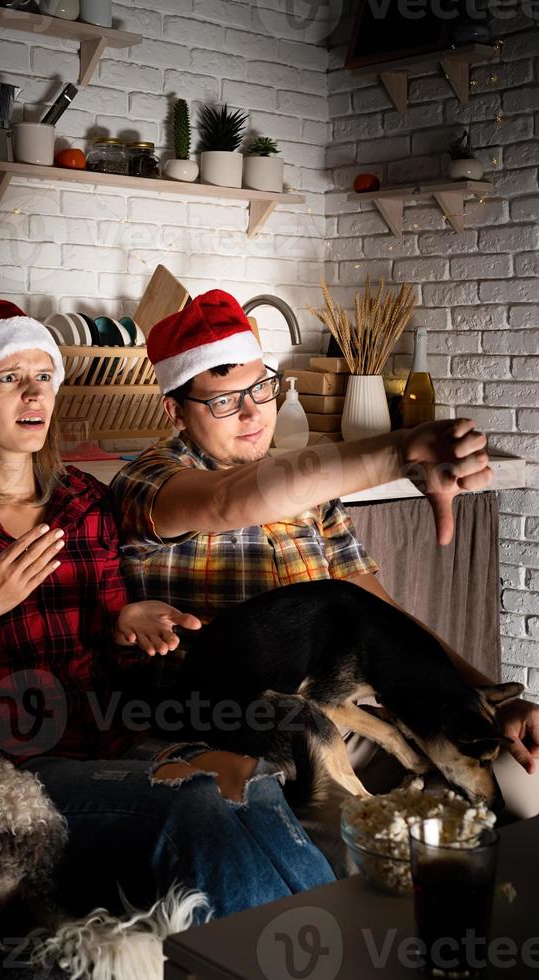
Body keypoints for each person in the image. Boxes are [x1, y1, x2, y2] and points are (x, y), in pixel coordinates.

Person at [0, 287, 336, 925]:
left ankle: (328, 941)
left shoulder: (81, 502)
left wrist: (126, 626)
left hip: (106, 737)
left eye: (43, 376)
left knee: (250, 779)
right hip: (4, 768)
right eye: (10, 379)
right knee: (194, 809)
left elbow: (111, 661)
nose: (35, 394)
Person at [110, 288, 539, 826]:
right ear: (174, 410)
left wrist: (482, 700)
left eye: (261, 388)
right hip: (228, 728)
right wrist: (399, 450)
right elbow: (228, 500)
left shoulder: (310, 489)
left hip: (343, 719)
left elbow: (381, 616)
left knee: (527, 782)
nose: (252, 412)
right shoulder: (149, 481)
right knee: (367, 836)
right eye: (223, 400)